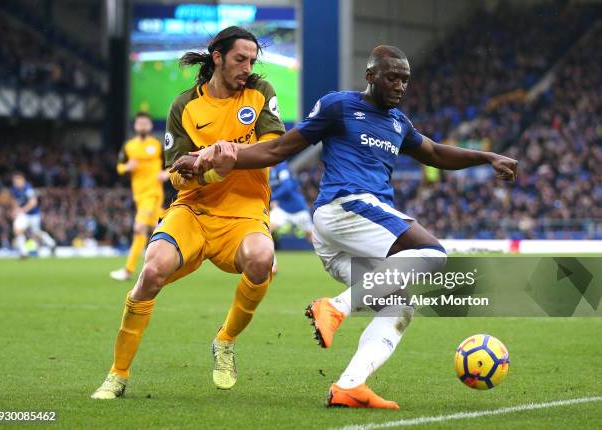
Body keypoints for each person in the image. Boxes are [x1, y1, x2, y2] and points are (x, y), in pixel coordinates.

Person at [176, 45, 518, 409]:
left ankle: (349, 386)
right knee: (433, 252)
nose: (400, 85)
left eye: (405, 79)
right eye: (392, 77)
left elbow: (434, 153)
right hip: (345, 207)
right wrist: (206, 156)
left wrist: (487, 156)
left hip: (340, 239)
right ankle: (335, 307)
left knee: (399, 307)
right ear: (370, 76)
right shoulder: (340, 106)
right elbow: (277, 151)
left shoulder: (398, 123)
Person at [91, 26, 285, 399]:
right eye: (240, 59)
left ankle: (225, 341)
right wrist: (211, 169)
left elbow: (272, 149)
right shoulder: (184, 106)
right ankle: (117, 375)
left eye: (252, 60)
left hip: (245, 213)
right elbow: (179, 179)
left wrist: (227, 154)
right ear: (218, 57)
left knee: (262, 259)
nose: (248, 67)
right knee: (152, 271)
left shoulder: (259, 93)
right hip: (194, 210)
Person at [110, 111, 169, 281]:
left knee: (139, 228)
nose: (142, 126)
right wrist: (128, 166)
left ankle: (128, 270)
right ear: (135, 126)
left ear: (150, 126)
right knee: (157, 232)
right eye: (139, 123)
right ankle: (162, 268)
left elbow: (172, 163)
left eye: (145, 123)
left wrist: (166, 173)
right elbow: (119, 168)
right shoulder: (129, 146)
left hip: (153, 194)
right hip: (139, 196)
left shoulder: (158, 144)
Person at [269, 161, 313, 274]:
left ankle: (339, 257)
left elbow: (287, 186)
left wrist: (272, 198)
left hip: (298, 208)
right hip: (282, 208)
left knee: (312, 238)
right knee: (266, 231)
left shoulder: (281, 166)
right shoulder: (267, 169)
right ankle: (273, 266)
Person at [10, 172, 56, 258]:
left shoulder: (28, 188)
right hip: (23, 215)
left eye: (17, 181)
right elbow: (15, 201)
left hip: (33, 214)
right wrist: (15, 210)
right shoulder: (14, 190)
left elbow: (33, 202)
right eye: (14, 182)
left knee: (36, 232)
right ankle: (23, 252)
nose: (15, 183)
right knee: (17, 229)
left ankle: (51, 243)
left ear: (22, 180)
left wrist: (22, 210)